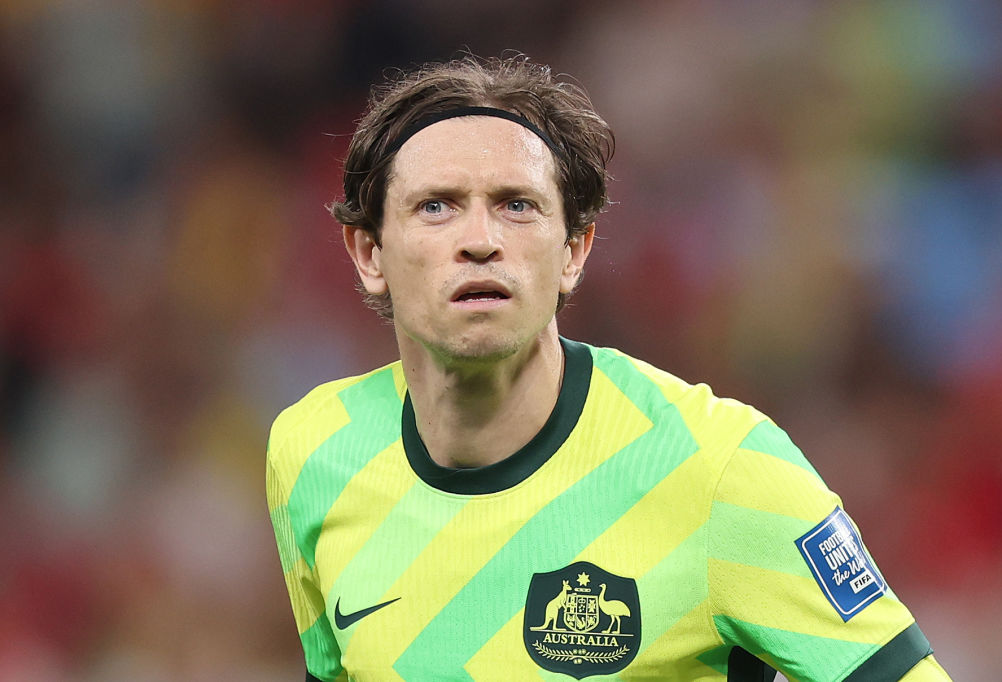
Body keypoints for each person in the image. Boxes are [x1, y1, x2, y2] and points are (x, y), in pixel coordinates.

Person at [267, 55, 951, 681]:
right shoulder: (313, 452)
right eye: (436, 206)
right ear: (369, 254)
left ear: (574, 251)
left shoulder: (722, 469)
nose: (480, 240)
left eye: (517, 205)